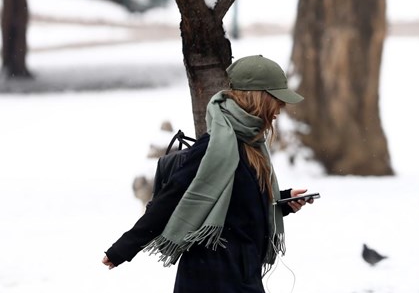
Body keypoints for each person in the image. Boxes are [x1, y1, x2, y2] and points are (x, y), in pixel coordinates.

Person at [102, 55, 313, 293]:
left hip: (242, 273)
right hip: (209, 277)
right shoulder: (213, 148)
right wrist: (122, 249)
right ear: (259, 98)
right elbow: (169, 200)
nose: (279, 110)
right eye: (277, 100)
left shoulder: (253, 145)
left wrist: (283, 201)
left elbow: (243, 206)